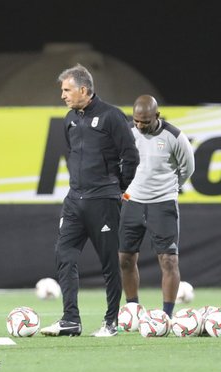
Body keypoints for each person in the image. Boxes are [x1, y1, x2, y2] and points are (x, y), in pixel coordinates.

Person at [41, 64, 139, 337]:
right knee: (64, 255)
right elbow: (73, 154)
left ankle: (111, 321)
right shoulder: (69, 120)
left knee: (110, 263)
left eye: (66, 90)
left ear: (83, 90)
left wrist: (117, 187)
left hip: (104, 201)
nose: (63, 95)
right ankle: (70, 319)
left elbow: (131, 157)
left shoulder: (112, 117)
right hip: (74, 201)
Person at [119, 95, 195, 318]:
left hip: (163, 204)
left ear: (157, 116)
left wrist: (170, 189)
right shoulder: (127, 132)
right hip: (132, 202)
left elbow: (187, 169)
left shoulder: (174, 136)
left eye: (145, 121)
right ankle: (133, 310)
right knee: (125, 259)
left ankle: (166, 316)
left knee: (169, 260)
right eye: (136, 121)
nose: (140, 125)